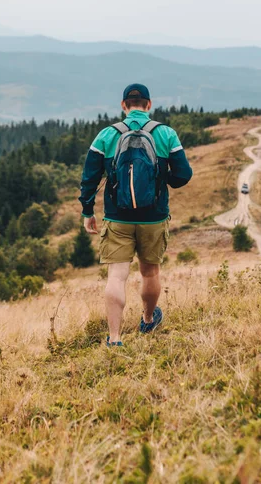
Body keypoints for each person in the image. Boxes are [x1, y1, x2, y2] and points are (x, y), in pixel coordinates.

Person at [79, 84, 193, 345]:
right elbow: (184, 174)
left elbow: (89, 178)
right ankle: (149, 319)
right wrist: (164, 180)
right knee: (150, 272)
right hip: (154, 217)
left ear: (123, 106)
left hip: (117, 217)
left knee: (116, 276)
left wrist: (88, 210)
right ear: (149, 105)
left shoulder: (107, 135)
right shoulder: (165, 134)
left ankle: (115, 338)